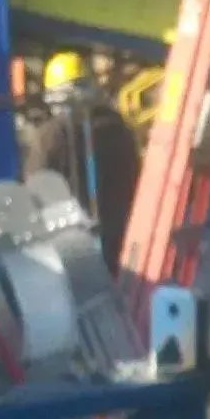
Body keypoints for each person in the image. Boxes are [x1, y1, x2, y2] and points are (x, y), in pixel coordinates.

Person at [23, 50, 141, 270]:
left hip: (70, 245)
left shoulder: (49, 135)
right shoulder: (118, 128)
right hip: (120, 236)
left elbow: (35, 188)